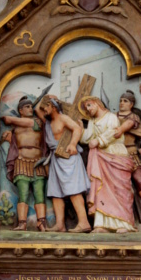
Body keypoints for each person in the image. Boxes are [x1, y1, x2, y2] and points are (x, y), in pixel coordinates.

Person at [78, 96, 136, 234]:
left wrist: (99, 141)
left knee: (119, 189)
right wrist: (81, 130)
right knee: (101, 188)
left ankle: (123, 222)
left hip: (115, 154)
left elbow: (113, 132)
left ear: (98, 104)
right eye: (86, 107)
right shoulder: (92, 121)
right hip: (100, 158)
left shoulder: (111, 117)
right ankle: (101, 224)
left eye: (90, 105)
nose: (88, 109)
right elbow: (87, 138)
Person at [36, 97, 91, 233]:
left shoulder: (63, 118)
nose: (43, 111)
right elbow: (37, 108)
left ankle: (84, 223)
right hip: (55, 158)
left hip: (68, 157)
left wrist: (72, 144)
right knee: (56, 192)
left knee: (74, 190)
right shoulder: (48, 122)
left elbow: (77, 129)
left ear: (52, 106)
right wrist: (47, 95)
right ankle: (60, 225)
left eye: (46, 107)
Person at [3, 96, 48, 231]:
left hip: (37, 161)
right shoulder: (15, 127)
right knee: (23, 193)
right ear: (20, 110)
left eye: (30, 106)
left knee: (39, 193)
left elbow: (8, 119)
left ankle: (41, 222)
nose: (30, 109)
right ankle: (22, 223)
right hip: (21, 161)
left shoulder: (37, 122)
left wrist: (10, 120)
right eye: (27, 107)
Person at [114, 90, 141, 221]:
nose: (122, 103)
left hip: (130, 152)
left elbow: (129, 125)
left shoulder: (133, 117)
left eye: (125, 101)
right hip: (116, 153)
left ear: (131, 104)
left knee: (138, 180)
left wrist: (120, 129)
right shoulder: (113, 116)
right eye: (121, 100)